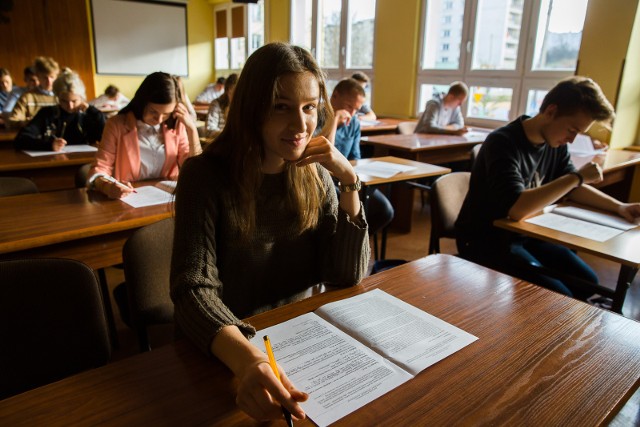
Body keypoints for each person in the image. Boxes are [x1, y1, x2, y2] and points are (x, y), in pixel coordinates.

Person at [170, 42, 370, 422]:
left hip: (297, 339)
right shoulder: (205, 176)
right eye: (281, 107)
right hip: (223, 351)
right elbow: (193, 289)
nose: (300, 125)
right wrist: (248, 362)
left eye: (309, 107)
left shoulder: (315, 173)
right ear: (252, 109)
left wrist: (348, 181)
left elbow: (345, 274)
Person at [455, 76, 640, 300]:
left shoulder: (554, 143)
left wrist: (619, 207)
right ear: (551, 111)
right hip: (486, 239)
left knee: (587, 282)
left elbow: (572, 187)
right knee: (557, 297)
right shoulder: (502, 143)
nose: (571, 139)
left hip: (526, 234)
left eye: (578, 133)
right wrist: (576, 177)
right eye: (572, 129)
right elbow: (517, 209)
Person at [87, 72, 202, 199]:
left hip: (166, 201)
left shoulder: (175, 126)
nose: (159, 119)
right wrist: (107, 186)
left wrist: (191, 130)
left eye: (166, 113)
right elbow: (100, 168)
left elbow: (195, 169)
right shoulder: (116, 124)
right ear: (142, 102)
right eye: (153, 111)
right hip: (128, 199)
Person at [329, 78, 394, 234]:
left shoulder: (354, 123)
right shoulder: (317, 118)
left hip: (348, 177)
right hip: (327, 179)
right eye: (348, 106)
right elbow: (327, 155)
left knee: (385, 211)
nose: (352, 113)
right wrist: (335, 119)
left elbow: (355, 157)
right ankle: (343, 245)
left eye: (356, 110)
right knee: (342, 212)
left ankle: (358, 244)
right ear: (334, 96)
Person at [14, 69, 105, 151]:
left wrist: (94, 112)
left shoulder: (89, 115)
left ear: (82, 98)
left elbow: (106, 136)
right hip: (54, 162)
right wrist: (48, 145)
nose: (70, 106)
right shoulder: (47, 113)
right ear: (57, 98)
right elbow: (21, 139)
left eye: (74, 101)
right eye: (64, 101)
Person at [7, 57, 60, 128]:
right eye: (45, 77)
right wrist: (28, 122)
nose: (49, 81)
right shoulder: (27, 97)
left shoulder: (61, 96)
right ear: (38, 76)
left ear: (56, 77)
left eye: (52, 77)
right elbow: (12, 120)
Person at [204, 73, 237, 138]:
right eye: (232, 92)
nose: (235, 97)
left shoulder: (244, 105)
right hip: (223, 144)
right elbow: (209, 130)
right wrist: (230, 135)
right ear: (227, 91)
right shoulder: (216, 104)